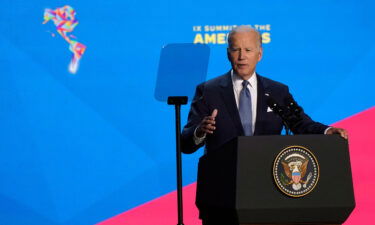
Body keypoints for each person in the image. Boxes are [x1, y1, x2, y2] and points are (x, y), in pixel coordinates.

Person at [181, 25, 348, 225]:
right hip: (222, 196)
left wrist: (327, 131)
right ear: (228, 53)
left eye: (248, 50)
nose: (242, 56)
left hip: (268, 193)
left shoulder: (277, 91)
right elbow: (186, 143)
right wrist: (200, 130)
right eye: (236, 49)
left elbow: (300, 122)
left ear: (259, 54)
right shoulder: (208, 91)